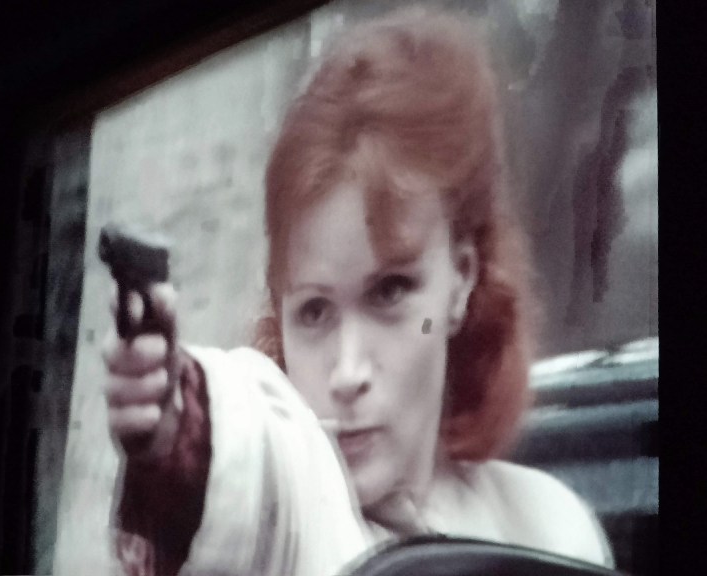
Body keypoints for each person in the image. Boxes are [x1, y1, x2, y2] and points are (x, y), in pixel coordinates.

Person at [99, 7, 614, 576]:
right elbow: (236, 461)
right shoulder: (291, 506)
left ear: (461, 279)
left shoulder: (552, 526)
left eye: (390, 292)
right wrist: (175, 420)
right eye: (314, 311)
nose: (347, 373)